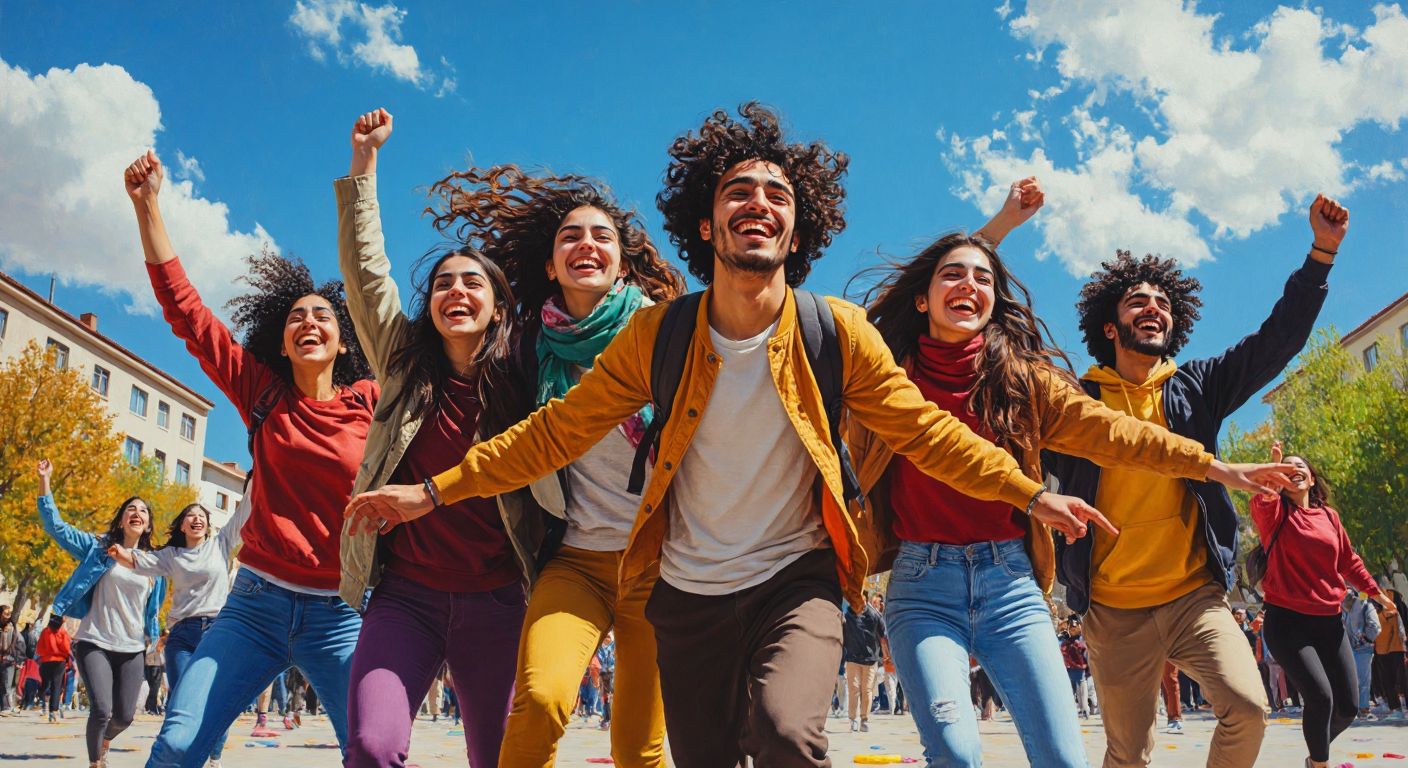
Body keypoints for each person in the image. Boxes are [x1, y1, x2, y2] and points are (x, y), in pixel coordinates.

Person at [346, 102, 1113, 767]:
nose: (759, 201)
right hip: (685, 589)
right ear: (706, 223)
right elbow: (552, 434)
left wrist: (1027, 491)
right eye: (738, 191)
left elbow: (926, 432)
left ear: (796, 224)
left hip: (796, 580)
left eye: (777, 193)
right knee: (693, 753)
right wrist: (433, 490)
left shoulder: (833, 332)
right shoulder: (657, 337)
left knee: (786, 736)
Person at [849, 184, 1290, 767]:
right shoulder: (884, 374)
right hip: (922, 583)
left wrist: (1214, 466)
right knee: (955, 752)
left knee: (1065, 759)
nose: (969, 287)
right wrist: (1001, 224)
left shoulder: (1024, 383)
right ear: (922, 302)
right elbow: (942, 445)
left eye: (984, 281)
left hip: (1009, 583)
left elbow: (1116, 432)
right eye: (952, 277)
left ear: (995, 302)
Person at [1044, 193, 1350, 768]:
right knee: (1127, 755)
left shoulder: (1198, 388)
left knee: (1249, 708)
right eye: (1138, 302)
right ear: (1110, 325)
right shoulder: (1075, 399)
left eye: (1163, 303)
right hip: (1113, 608)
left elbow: (1276, 341)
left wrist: (1321, 257)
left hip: (1195, 597)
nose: (1153, 308)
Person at [423, 110, 686, 767]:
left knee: (639, 747)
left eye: (602, 235)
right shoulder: (522, 348)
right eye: (572, 236)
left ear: (622, 259)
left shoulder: (664, 334)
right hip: (574, 562)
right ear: (551, 260)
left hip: (660, 565)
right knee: (539, 700)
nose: (587, 245)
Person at [123, 149, 377, 768]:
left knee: (373, 751)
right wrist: (148, 204)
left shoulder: (373, 400)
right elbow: (187, 312)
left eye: (322, 316)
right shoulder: (263, 392)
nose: (309, 322)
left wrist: (364, 171)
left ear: (345, 340)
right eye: (296, 318)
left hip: (341, 612)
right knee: (179, 743)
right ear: (282, 340)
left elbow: (381, 289)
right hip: (254, 607)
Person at [334, 109, 545, 768]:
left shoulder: (525, 374)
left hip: (501, 600)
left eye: (472, 281)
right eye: (443, 283)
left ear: (498, 306)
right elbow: (367, 276)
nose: (456, 289)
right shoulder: (401, 361)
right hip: (406, 598)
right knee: (371, 747)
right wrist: (364, 168)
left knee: (503, 759)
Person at [1251, 441, 1394, 768]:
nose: (1294, 470)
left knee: (1346, 707)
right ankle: (1320, 764)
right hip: (1287, 623)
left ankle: (1315, 755)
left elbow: (1348, 561)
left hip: (1329, 623)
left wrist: (1377, 593)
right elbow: (1262, 503)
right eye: (1287, 468)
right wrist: (1273, 474)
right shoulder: (1276, 514)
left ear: (1312, 479)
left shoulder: (1329, 516)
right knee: (1320, 697)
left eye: (1299, 466)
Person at [37, 459, 165, 768]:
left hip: (132, 647)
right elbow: (56, 527)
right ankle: (96, 763)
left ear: (147, 525)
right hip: (94, 641)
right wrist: (45, 481)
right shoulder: (99, 547)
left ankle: (104, 740)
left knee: (124, 715)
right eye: (130, 509)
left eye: (143, 511)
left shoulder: (155, 565)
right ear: (122, 520)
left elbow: (153, 610)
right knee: (102, 710)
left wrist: (157, 638)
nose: (137, 513)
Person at [109, 499, 248, 765]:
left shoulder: (220, 543)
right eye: (190, 516)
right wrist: (119, 553)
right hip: (182, 635)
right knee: (181, 700)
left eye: (201, 516)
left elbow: (244, 511)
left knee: (216, 700)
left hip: (217, 633)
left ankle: (214, 755)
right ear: (182, 526)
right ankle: (168, 757)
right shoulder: (172, 555)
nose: (197, 519)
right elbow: (141, 560)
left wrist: (257, 477)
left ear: (208, 525)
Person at [842, 591, 886, 733]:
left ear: (865, 600)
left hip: (870, 659)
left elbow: (883, 633)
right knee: (854, 689)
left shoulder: (873, 615)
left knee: (866, 690)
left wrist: (885, 654)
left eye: (860, 599)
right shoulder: (846, 616)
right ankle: (853, 719)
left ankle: (864, 719)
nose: (857, 602)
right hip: (852, 658)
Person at [1343, 589, 1381, 720]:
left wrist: (1366, 638)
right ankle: (1353, 708)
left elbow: (1375, 626)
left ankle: (1364, 709)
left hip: (1363, 649)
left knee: (1363, 680)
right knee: (1351, 680)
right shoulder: (1346, 610)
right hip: (1349, 648)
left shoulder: (1365, 605)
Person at [1373, 589, 1407, 718]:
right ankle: (1400, 708)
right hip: (1397, 648)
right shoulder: (1396, 610)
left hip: (1383, 650)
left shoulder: (1379, 612)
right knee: (1401, 679)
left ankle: (1396, 708)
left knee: (1389, 680)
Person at [37, 614, 72, 722]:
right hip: (59, 662)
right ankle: (53, 711)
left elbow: (39, 648)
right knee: (56, 686)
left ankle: (42, 703)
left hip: (46, 661)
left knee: (45, 683)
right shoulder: (62, 632)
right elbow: (67, 648)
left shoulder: (44, 632)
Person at [0, 605, 18, 715]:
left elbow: (16, 642)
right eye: (5, 614)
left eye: (9, 614)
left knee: (6, 684)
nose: (8, 616)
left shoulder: (12, 626)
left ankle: (6, 707)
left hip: (8, 659)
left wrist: (18, 658)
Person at [143, 631, 166, 715]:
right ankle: (150, 707)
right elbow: (157, 650)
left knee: (154, 689)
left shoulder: (155, 641)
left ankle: (149, 707)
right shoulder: (159, 641)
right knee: (154, 689)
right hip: (154, 666)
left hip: (153, 665)